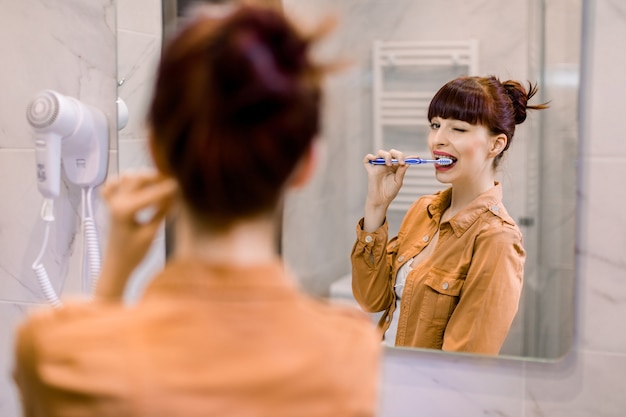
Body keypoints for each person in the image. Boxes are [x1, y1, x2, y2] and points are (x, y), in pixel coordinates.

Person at [13, 4, 381, 416]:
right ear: (307, 165)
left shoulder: (54, 353)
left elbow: (83, 360)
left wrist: (113, 275)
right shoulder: (346, 354)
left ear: (155, 150)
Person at [351, 75, 548, 355]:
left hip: (422, 395)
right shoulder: (423, 210)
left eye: (458, 128)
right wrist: (375, 207)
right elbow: (371, 300)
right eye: (435, 125)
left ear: (496, 145)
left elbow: (463, 365)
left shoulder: (497, 240)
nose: (437, 139)